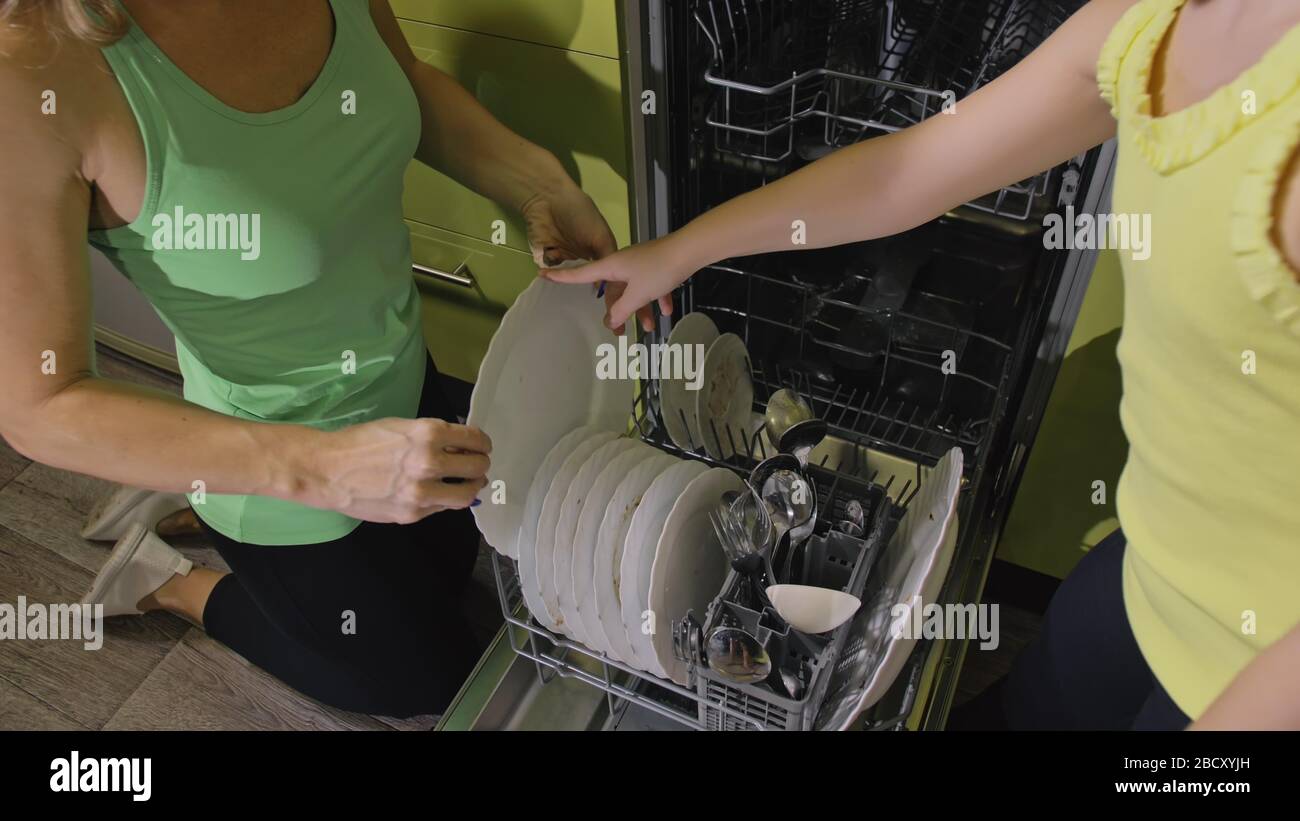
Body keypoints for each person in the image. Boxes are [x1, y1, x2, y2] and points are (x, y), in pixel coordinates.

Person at [545, 0, 1300, 729]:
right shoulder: (1151, 22)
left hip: (1262, 658)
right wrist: (679, 251)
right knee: (1026, 709)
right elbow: (905, 172)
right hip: (1147, 565)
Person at [0, 0, 619, 717]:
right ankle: (166, 579)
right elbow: (39, 405)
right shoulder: (33, 72)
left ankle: (191, 506)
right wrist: (322, 469)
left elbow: (404, 80)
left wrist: (539, 186)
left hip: (406, 380)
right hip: (278, 473)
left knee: (453, 569)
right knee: (429, 682)